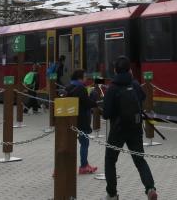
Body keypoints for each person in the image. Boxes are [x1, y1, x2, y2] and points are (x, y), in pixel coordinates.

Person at [102, 56, 158, 200]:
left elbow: (106, 114)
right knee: (140, 160)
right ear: (130, 70)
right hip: (135, 128)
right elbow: (142, 99)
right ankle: (150, 188)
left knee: (110, 161)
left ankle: (112, 194)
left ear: (115, 70)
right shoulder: (135, 84)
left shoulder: (112, 88)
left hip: (118, 130)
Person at [65, 69, 98, 174]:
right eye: (84, 77)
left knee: (68, 144)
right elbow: (88, 103)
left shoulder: (68, 87)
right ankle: (84, 166)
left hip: (70, 119)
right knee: (84, 143)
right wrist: (93, 96)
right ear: (80, 78)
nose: (86, 79)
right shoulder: (81, 88)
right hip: (82, 119)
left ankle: (61, 167)